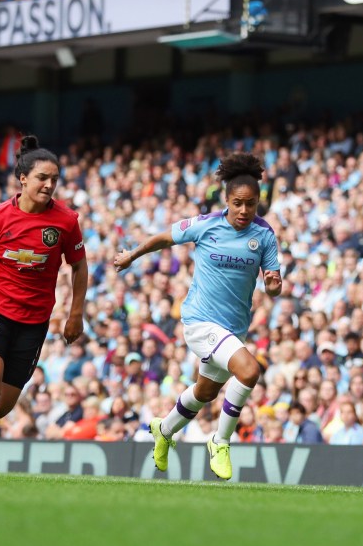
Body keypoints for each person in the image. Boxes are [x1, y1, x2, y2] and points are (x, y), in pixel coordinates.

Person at [113, 152, 282, 480]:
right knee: (248, 372)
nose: (245, 210)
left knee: (205, 393)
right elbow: (165, 237)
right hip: (200, 321)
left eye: (251, 204)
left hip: (234, 329)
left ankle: (164, 429)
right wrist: (133, 255)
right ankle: (219, 441)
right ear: (226, 199)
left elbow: (273, 282)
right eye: (238, 203)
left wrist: (273, 286)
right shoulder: (206, 225)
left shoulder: (264, 235)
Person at [0, 135, 88, 480]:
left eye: (54, 180)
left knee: (0, 407)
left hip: (34, 321)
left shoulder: (66, 221)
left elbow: (79, 266)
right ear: (23, 178)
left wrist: (76, 314)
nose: (49, 185)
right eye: (43, 178)